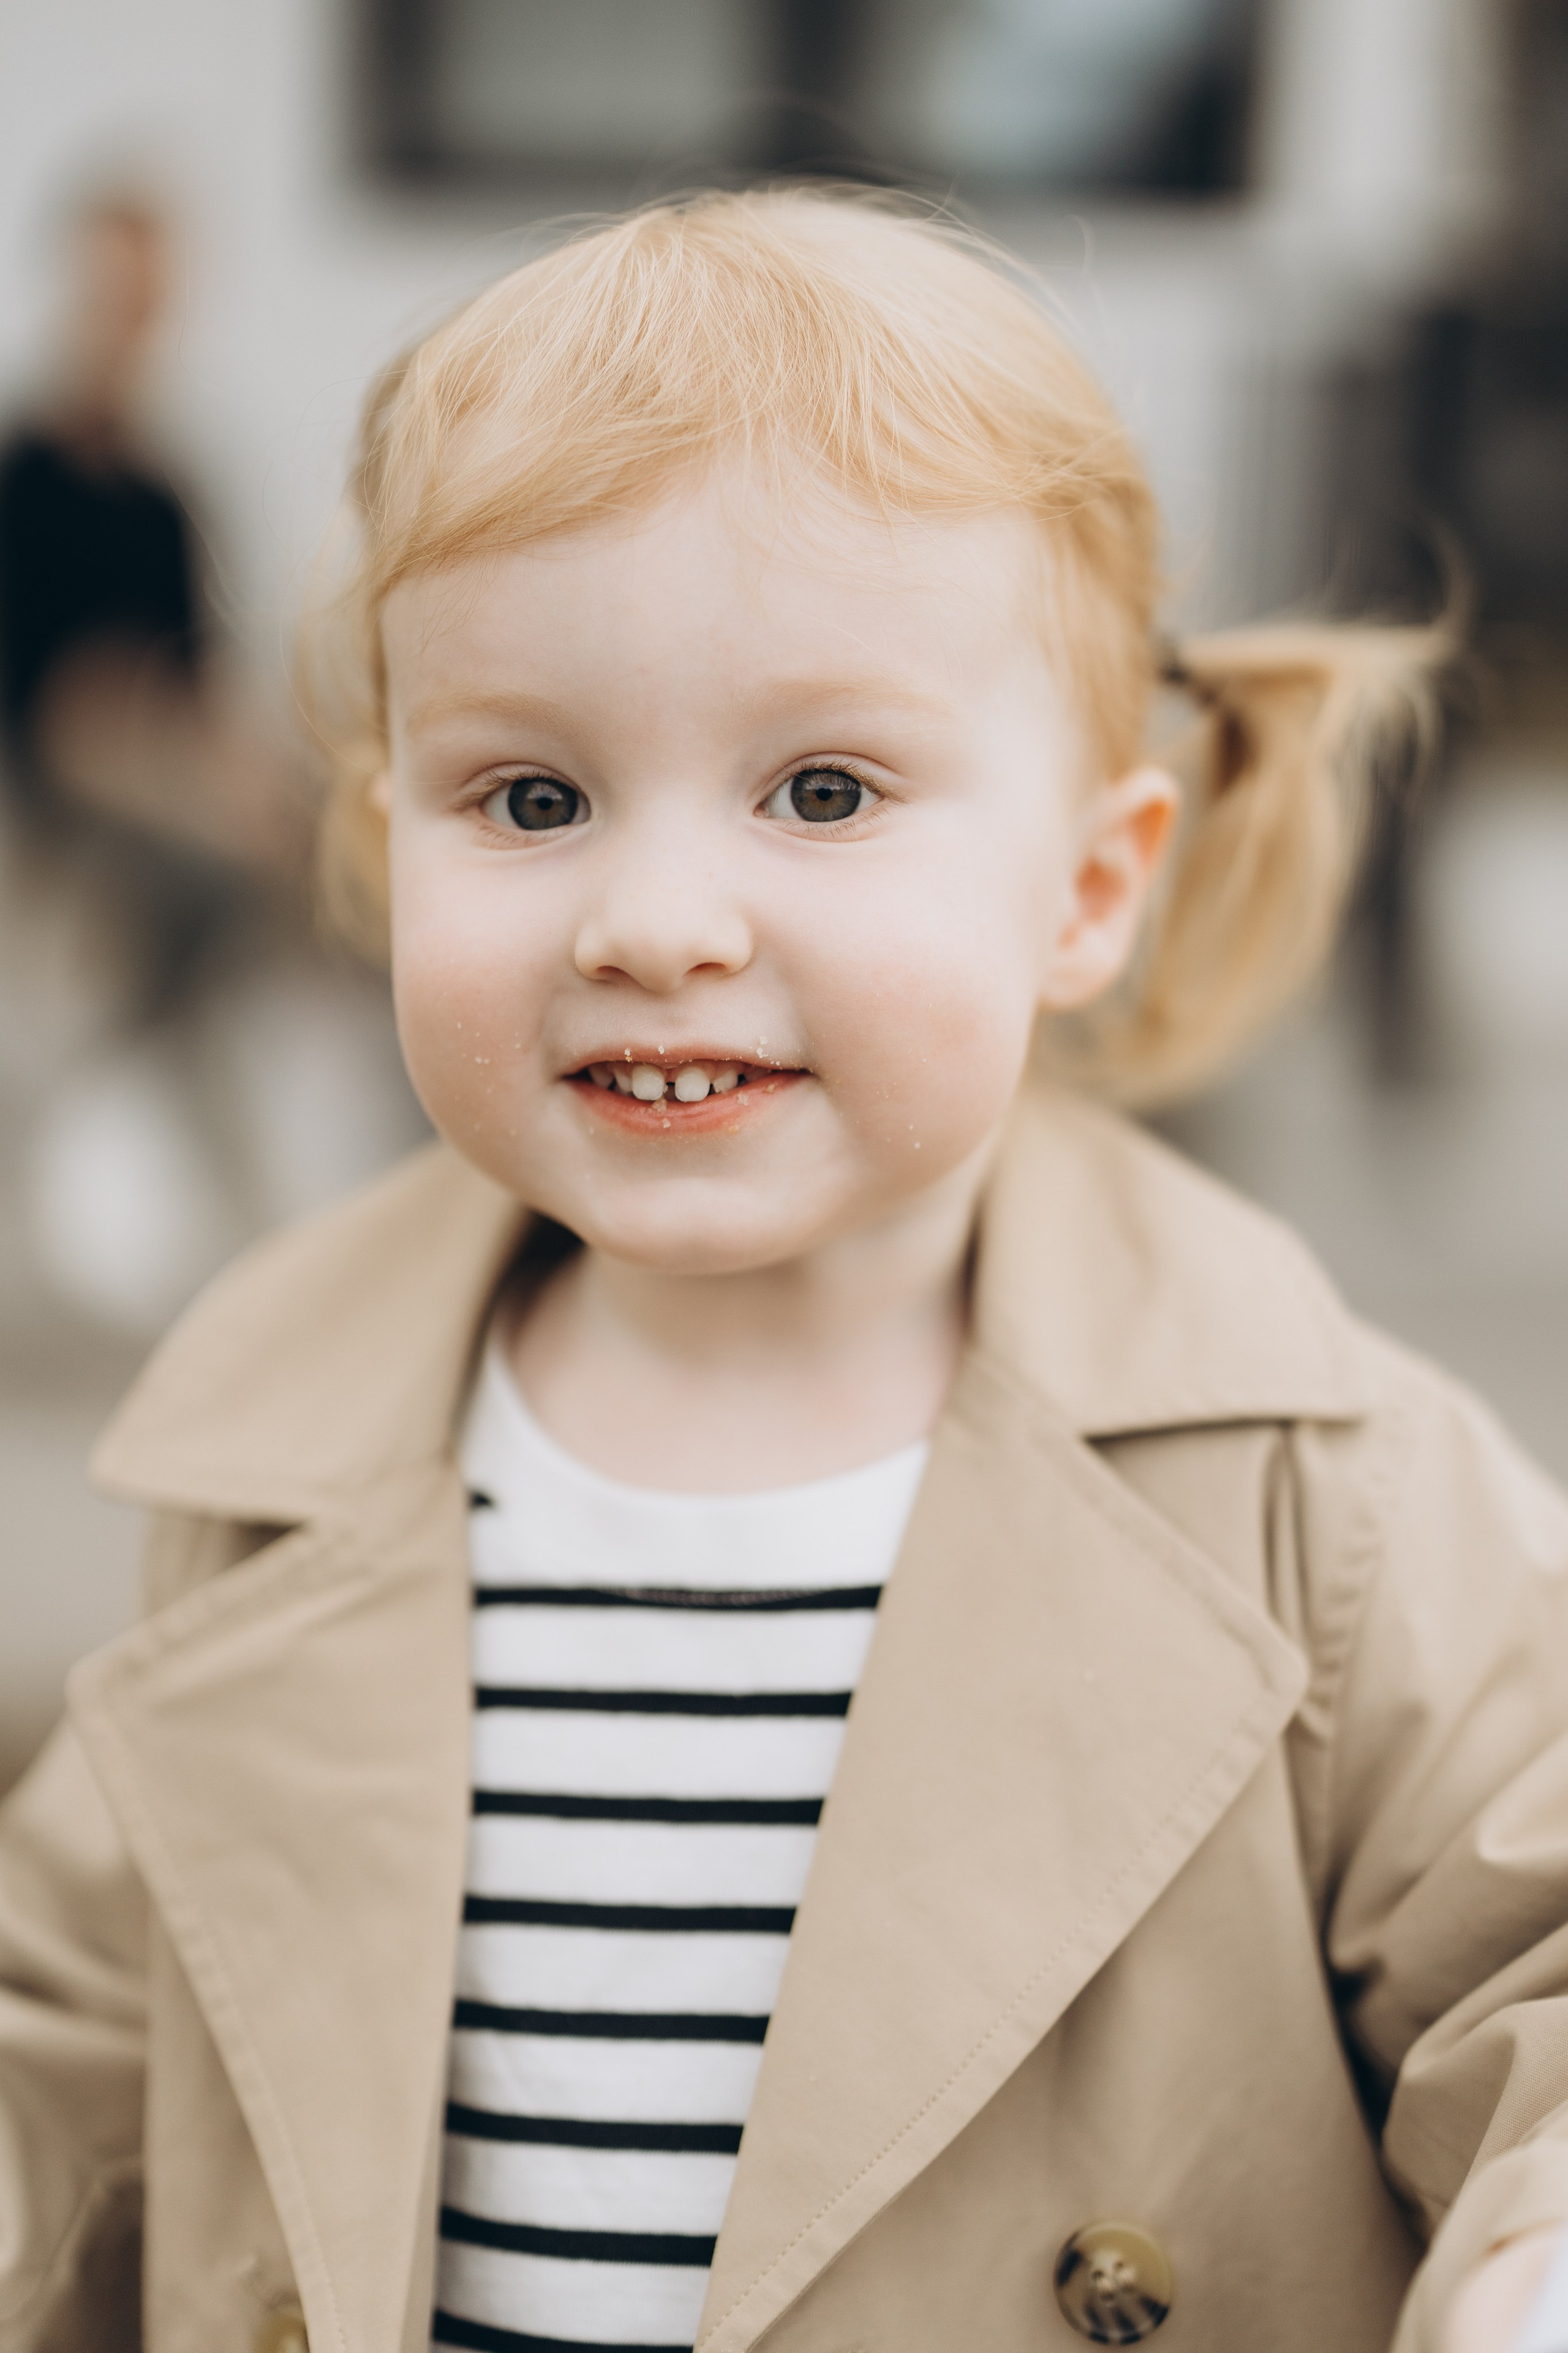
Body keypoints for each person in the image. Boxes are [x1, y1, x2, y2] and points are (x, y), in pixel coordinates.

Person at [0, 191, 1564, 2353]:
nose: (655, 915)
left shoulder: (1325, 1487)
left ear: (1087, 887)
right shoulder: (293, 1457)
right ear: (387, 847)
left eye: (820, 788)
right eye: (530, 795)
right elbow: (73, 2037)